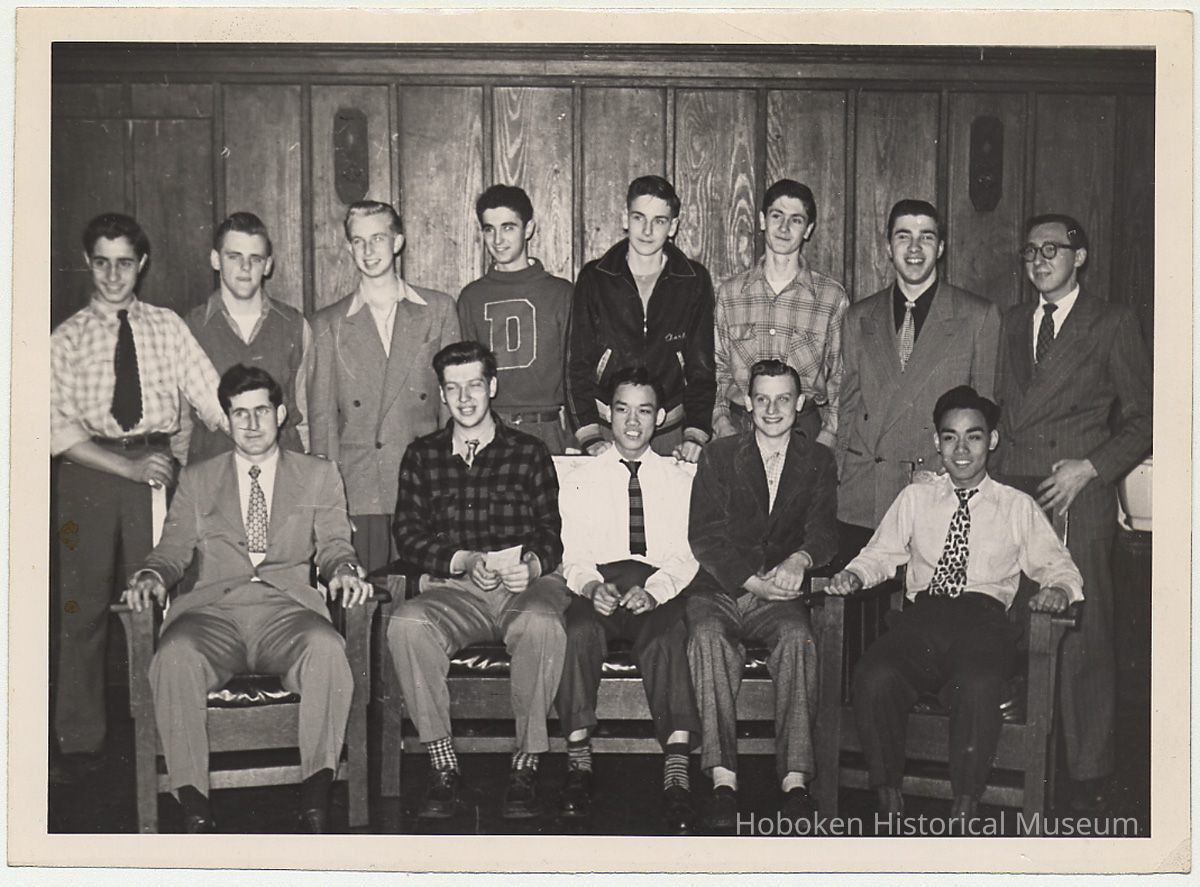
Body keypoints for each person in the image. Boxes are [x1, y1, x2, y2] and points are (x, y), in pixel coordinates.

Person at [122, 364, 372, 833]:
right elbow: (172, 550)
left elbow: (335, 544)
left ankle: (316, 794)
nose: (252, 424)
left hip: (287, 613)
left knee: (327, 650)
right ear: (227, 419)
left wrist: (344, 570)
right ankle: (194, 804)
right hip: (214, 614)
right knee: (174, 656)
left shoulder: (319, 474)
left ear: (281, 414)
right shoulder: (198, 478)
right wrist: (152, 574)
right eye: (240, 413)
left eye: (261, 411)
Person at [828, 385, 1083, 820]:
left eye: (974, 437)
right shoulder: (915, 498)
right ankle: (887, 795)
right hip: (921, 620)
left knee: (979, 683)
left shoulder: (1016, 506)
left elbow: (1059, 566)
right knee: (874, 674)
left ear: (992, 440)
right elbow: (880, 553)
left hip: (983, 625)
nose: (961, 450)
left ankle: (966, 802)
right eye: (950, 437)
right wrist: (854, 575)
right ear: (936, 442)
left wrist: (1058, 590)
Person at [51, 211, 228, 784]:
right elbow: (54, 430)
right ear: (88, 262)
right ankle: (79, 742)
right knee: (81, 609)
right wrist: (124, 466)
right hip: (89, 475)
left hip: (152, 471)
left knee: (155, 603)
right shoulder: (66, 338)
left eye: (123, 263)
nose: (112, 275)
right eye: (102, 263)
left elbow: (209, 395)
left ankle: (162, 730)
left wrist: (254, 432)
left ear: (141, 264)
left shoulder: (166, 326)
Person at [994, 214, 1152, 813]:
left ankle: (1087, 772)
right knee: (1013, 623)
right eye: (1031, 251)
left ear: (1079, 257)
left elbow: (1145, 419)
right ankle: (1017, 760)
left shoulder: (1112, 321)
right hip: (1014, 488)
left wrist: (1089, 467)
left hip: (1078, 492)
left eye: (1053, 250)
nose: (1040, 260)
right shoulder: (1012, 321)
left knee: (1084, 629)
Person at [387, 341, 569, 820]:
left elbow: (551, 533)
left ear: (492, 386)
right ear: (442, 394)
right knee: (406, 624)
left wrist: (531, 566)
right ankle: (442, 760)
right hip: (456, 592)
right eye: (453, 388)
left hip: (521, 588)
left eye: (473, 385)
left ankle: (526, 761)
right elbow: (407, 535)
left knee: (542, 624)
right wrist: (461, 560)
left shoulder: (529, 452)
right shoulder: (422, 456)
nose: (464, 398)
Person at [685, 358, 838, 831]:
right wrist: (752, 581)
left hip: (780, 596)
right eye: (762, 399)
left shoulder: (818, 460)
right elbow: (705, 536)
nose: (773, 409)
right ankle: (723, 780)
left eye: (783, 399)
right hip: (720, 588)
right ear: (747, 404)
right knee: (707, 638)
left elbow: (824, 532)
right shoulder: (719, 456)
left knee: (798, 639)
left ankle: (795, 781)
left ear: (800, 403)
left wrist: (800, 561)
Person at [554, 366, 701, 832]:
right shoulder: (582, 477)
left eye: (644, 411)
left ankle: (676, 768)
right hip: (601, 582)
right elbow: (573, 554)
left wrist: (655, 593)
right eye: (622, 410)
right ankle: (578, 759)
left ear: (660, 417)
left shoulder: (682, 479)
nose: (632, 422)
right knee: (577, 632)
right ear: (607, 414)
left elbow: (687, 556)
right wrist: (591, 587)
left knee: (669, 637)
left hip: (655, 585)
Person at [837, 199, 1000, 564]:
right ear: (888, 247)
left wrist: (952, 473)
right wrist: (840, 477)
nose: (914, 248)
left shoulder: (977, 316)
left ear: (940, 248)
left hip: (936, 484)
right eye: (903, 236)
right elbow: (847, 408)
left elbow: (985, 412)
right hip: (865, 493)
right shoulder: (859, 316)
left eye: (926, 237)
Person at [310, 200, 461, 572]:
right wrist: (331, 505)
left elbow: (453, 408)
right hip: (362, 488)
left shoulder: (438, 310)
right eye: (358, 241)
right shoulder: (328, 323)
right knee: (368, 592)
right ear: (349, 247)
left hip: (424, 482)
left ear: (397, 242)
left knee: (424, 595)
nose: (368, 250)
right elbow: (323, 421)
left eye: (377, 238)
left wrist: (452, 485)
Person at [566, 174, 715, 463]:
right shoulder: (595, 277)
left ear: (673, 226)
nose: (647, 230)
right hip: (607, 428)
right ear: (626, 219)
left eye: (659, 220)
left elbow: (702, 366)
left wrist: (695, 432)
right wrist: (589, 434)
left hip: (669, 431)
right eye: (639, 218)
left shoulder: (693, 279)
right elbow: (576, 364)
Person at [712, 179, 849, 450]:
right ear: (763, 220)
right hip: (741, 426)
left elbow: (841, 376)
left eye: (796, 220)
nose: (784, 228)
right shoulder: (731, 293)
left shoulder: (831, 297)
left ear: (808, 229)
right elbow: (718, 369)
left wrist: (829, 434)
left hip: (805, 428)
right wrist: (722, 422)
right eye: (777, 216)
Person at [180, 211, 313, 464]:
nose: (245, 267)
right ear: (216, 259)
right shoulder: (190, 328)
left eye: (255, 258)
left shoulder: (295, 325)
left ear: (268, 265)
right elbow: (182, 422)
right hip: (214, 470)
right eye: (234, 257)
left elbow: (305, 416)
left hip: (282, 470)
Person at [457, 184, 573, 453]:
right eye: (489, 229)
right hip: (489, 428)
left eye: (508, 227)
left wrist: (574, 437)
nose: (498, 239)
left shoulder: (560, 293)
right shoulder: (472, 297)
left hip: (546, 428)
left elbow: (575, 373)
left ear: (528, 229)